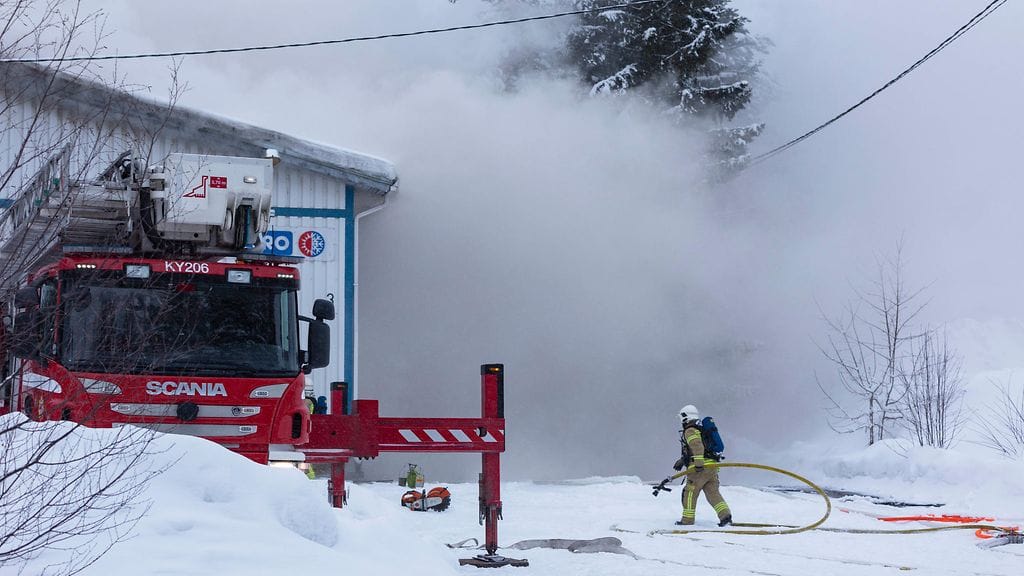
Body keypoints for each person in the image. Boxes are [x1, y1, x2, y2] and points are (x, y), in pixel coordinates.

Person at [673, 404, 731, 526]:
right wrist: (682, 461)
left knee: (690, 492)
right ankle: (725, 516)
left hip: (700, 469)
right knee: (713, 493)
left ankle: (687, 520)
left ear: (685, 417)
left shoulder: (690, 430)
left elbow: (697, 446)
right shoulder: (700, 429)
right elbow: (696, 449)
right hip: (712, 468)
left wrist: (698, 464)